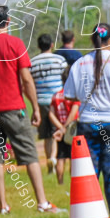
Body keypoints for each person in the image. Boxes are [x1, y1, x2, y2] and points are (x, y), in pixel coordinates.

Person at [0, 6, 60, 214]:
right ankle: (42, 203)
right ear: (8, 21)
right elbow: (26, 79)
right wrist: (35, 107)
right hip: (14, 108)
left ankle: (3, 206)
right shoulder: (16, 44)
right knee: (29, 156)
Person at [63, 23, 110, 218]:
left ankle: (91, 215)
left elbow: (69, 95)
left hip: (87, 124)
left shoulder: (80, 63)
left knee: (89, 173)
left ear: (92, 40)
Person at [30, 34, 68, 174]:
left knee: (46, 134)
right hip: (56, 100)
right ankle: (53, 157)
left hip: (40, 101)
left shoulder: (32, 62)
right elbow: (65, 77)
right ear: (52, 44)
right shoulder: (59, 60)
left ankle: (49, 159)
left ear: (39, 46)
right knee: (56, 132)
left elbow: (29, 83)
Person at [47, 66, 79, 186]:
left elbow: (50, 113)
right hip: (72, 131)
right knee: (73, 159)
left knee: (61, 158)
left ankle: (60, 183)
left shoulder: (56, 96)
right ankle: (73, 183)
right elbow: (73, 113)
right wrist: (66, 127)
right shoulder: (73, 96)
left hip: (59, 131)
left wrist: (60, 127)